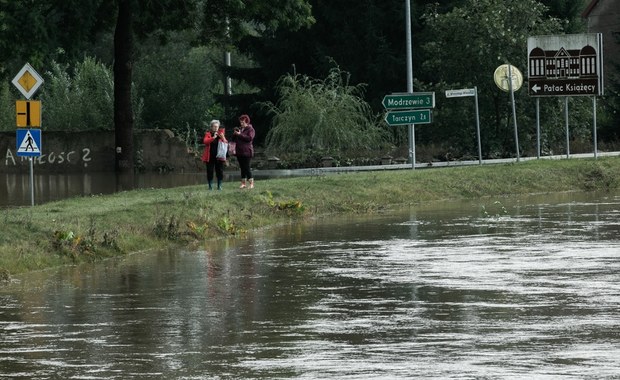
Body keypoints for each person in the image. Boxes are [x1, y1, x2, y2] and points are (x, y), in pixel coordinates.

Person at [201, 119, 227, 190]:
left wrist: (223, 137)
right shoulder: (208, 134)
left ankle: (219, 186)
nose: (216, 128)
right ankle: (210, 187)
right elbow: (205, 141)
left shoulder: (221, 134)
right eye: (214, 126)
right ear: (211, 127)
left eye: (217, 126)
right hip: (210, 157)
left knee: (220, 171)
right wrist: (213, 138)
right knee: (210, 171)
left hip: (219, 157)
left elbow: (226, 143)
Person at [232, 114, 255, 189]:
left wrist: (240, 134)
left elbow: (249, 138)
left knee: (247, 167)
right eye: (240, 122)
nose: (241, 124)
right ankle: (243, 183)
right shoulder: (240, 129)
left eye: (243, 122)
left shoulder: (251, 129)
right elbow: (233, 139)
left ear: (247, 122)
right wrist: (235, 134)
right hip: (239, 151)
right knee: (242, 168)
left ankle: (251, 183)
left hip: (247, 151)